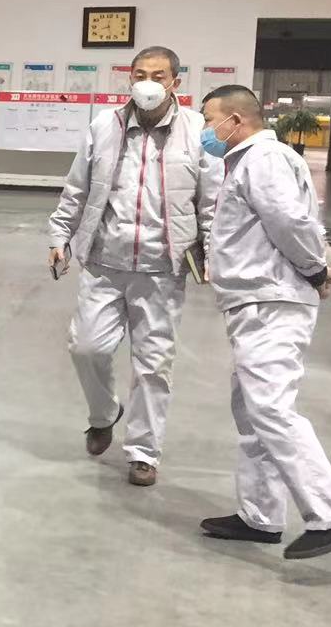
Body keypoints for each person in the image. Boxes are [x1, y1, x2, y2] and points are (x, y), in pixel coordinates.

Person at [196, 85, 331, 560]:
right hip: (254, 300)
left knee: (270, 407)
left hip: (272, 301)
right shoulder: (249, 161)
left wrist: (315, 270)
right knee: (251, 410)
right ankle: (260, 515)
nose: (205, 130)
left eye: (209, 119)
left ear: (235, 120)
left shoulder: (263, 159)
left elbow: (289, 222)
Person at [46, 47, 218, 485]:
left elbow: (212, 200)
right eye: (140, 74)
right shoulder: (104, 126)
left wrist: (213, 251)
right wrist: (60, 236)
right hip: (105, 260)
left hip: (163, 268)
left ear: (175, 82)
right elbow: (77, 188)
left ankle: (144, 451)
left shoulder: (197, 130)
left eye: (158, 75)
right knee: (87, 347)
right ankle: (104, 414)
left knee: (153, 364)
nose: (147, 83)